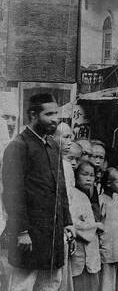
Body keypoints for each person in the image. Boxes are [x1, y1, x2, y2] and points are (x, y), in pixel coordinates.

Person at [2, 93, 74, 291]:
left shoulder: (52, 145)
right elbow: (12, 194)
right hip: (30, 236)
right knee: (23, 286)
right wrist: (22, 231)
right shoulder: (18, 147)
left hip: (53, 234)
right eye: (49, 114)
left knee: (51, 284)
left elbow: (61, 189)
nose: (55, 119)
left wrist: (67, 222)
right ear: (33, 115)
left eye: (56, 114)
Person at [70, 161, 102, 291]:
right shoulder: (72, 194)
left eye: (92, 175)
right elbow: (71, 221)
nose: (89, 178)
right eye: (85, 174)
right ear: (76, 176)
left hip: (91, 247)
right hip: (79, 246)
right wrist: (95, 226)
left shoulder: (91, 194)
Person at [100, 167, 118, 291]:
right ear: (109, 184)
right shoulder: (102, 200)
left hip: (117, 246)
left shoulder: (116, 199)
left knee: (117, 279)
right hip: (107, 246)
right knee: (106, 278)